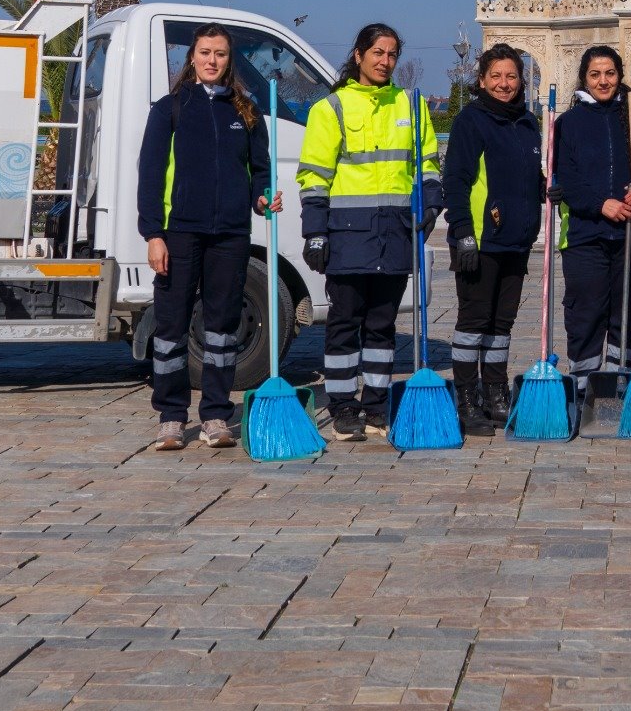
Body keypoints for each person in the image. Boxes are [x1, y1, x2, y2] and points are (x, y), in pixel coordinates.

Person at [297, 23, 442, 442]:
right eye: (378, 52)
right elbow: (314, 177)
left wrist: (432, 200)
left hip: (395, 234)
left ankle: (377, 405)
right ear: (358, 55)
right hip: (347, 236)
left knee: (382, 324)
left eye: (392, 54)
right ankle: (343, 406)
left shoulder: (412, 105)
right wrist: (315, 232)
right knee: (344, 322)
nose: (385, 61)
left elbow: (428, 162)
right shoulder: (331, 109)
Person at [137, 24, 274, 451]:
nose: (212, 60)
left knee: (221, 328)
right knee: (172, 326)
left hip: (231, 234)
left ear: (229, 61)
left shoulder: (245, 110)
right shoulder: (170, 109)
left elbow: (261, 170)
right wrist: (153, 234)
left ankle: (216, 414)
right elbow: (151, 176)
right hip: (179, 233)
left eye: (220, 54)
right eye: (204, 52)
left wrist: (263, 197)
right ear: (191, 58)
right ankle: (171, 416)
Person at [548, 45, 631, 424]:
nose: (603, 81)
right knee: (585, 315)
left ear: (620, 76)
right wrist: (599, 203)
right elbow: (563, 179)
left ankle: (623, 390)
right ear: (584, 78)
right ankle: (585, 392)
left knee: (629, 316)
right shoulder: (567, 125)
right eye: (595, 74)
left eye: (610, 74)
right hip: (586, 236)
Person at [441, 45, 544, 435]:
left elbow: (525, 176)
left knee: (503, 323)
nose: (504, 84)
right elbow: (456, 181)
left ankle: (495, 392)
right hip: (480, 240)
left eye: (511, 77)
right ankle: (467, 397)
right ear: (482, 80)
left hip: (516, 240)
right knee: (474, 321)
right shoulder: (472, 120)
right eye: (496, 76)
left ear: (522, 81)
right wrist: (463, 232)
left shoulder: (527, 123)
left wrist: (545, 188)